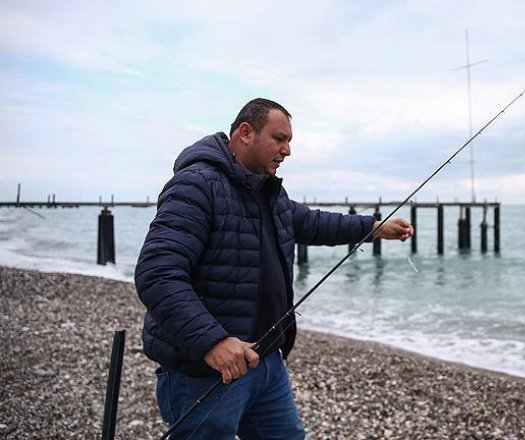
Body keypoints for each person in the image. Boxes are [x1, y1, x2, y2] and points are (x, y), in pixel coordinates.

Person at [135, 98, 413, 439]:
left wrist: (374, 227)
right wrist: (213, 342)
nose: (287, 151)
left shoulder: (268, 193)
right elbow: (158, 274)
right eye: (279, 139)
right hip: (207, 370)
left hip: (265, 362)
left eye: (289, 141)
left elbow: (315, 223)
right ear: (246, 132)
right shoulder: (196, 185)